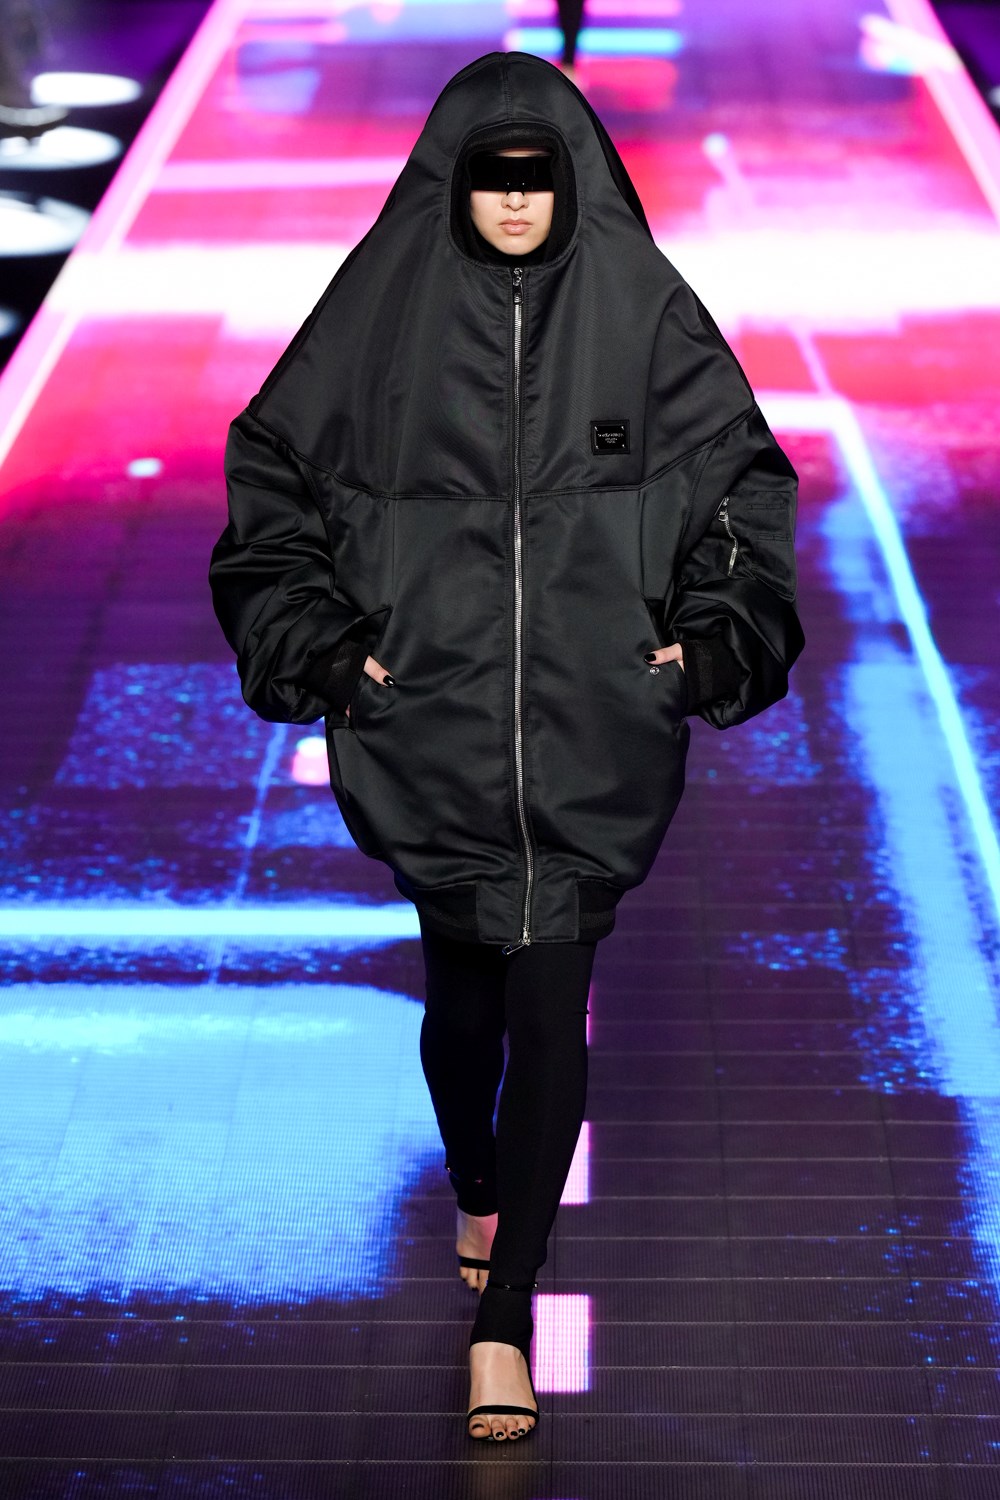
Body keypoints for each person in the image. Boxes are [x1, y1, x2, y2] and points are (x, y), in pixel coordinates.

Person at [208, 51, 804, 1443]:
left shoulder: (647, 314)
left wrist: (702, 650)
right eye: (495, 179)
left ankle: (505, 1316)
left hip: (592, 735)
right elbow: (271, 490)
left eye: (541, 180)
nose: (520, 202)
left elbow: (742, 490)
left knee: (547, 1005)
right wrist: (332, 654)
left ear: (575, 185)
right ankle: (476, 1185)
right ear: (454, 186)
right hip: (431, 727)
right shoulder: (374, 320)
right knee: (464, 1007)